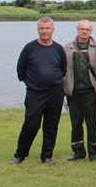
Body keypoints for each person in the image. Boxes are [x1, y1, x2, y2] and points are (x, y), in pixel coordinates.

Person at [10, 17, 67, 165]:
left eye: (47, 28)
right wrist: (32, 83)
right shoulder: (29, 48)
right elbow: (20, 70)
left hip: (55, 93)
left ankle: (47, 156)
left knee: (51, 125)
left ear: (53, 29)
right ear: (38, 30)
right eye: (41, 28)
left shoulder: (58, 49)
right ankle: (20, 155)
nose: (44, 31)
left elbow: (63, 69)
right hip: (35, 93)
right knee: (31, 124)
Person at [64, 20, 96, 162]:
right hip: (73, 91)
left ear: (91, 31)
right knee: (76, 123)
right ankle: (78, 152)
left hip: (90, 91)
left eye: (87, 29)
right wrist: (65, 87)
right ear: (77, 29)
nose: (84, 31)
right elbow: (63, 69)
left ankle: (94, 153)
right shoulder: (68, 48)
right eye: (82, 29)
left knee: (92, 124)